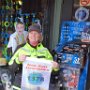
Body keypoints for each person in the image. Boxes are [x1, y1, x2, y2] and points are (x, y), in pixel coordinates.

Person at [8, 24, 59, 90]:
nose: (33, 35)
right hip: (20, 86)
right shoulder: (20, 48)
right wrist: (18, 60)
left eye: (36, 33)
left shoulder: (46, 50)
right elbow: (11, 68)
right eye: (31, 33)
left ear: (40, 36)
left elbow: (52, 72)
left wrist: (56, 68)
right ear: (28, 36)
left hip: (39, 87)